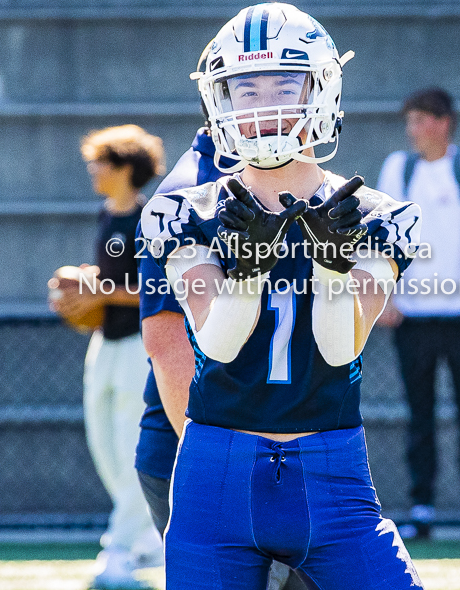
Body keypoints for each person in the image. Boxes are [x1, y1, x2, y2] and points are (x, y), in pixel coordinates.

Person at [141, 2, 424, 589]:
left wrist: (331, 266)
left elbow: (338, 345)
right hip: (215, 471)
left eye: (284, 83)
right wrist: (247, 271)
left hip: (333, 471)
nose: (265, 102)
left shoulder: (378, 215)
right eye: (246, 87)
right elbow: (216, 345)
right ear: (219, 99)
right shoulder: (181, 210)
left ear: (320, 88)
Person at [135, 127, 295, 590]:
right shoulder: (191, 194)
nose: (275, 104)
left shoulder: (288, 175)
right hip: (216, 454)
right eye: (253, 86)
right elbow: (168, 342)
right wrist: (231, 466)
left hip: (292, 450)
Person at [377, 88, 460, 539]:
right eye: (409, 120)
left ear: (443, 121)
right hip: (412, 316)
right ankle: (421, 507)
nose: (413, 129)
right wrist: (387, 298)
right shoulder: (398, 168)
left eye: (420, 119)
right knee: (419, 415)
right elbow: (389, 238)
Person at [51, 125, 166, 590]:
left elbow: (159, 291)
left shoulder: (148, 220)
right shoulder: (106, 215)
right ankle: (146, 543)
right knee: (106, 449)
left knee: (133, 449)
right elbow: (109, 280)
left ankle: (119, 551)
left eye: (100, 161)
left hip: (141, 346)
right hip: (106, 343)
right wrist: (79, 283)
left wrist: (99, 291)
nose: (93, 169)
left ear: (123, 168)